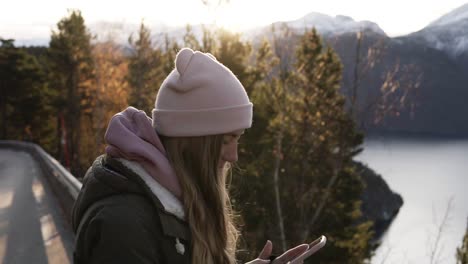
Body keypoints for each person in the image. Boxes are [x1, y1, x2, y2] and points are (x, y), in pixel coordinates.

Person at [72, 48, 309, 264]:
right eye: (226, 141)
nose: (233, 156)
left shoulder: (173, 199)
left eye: (238, 139)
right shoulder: (124, 226)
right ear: (193, 143)